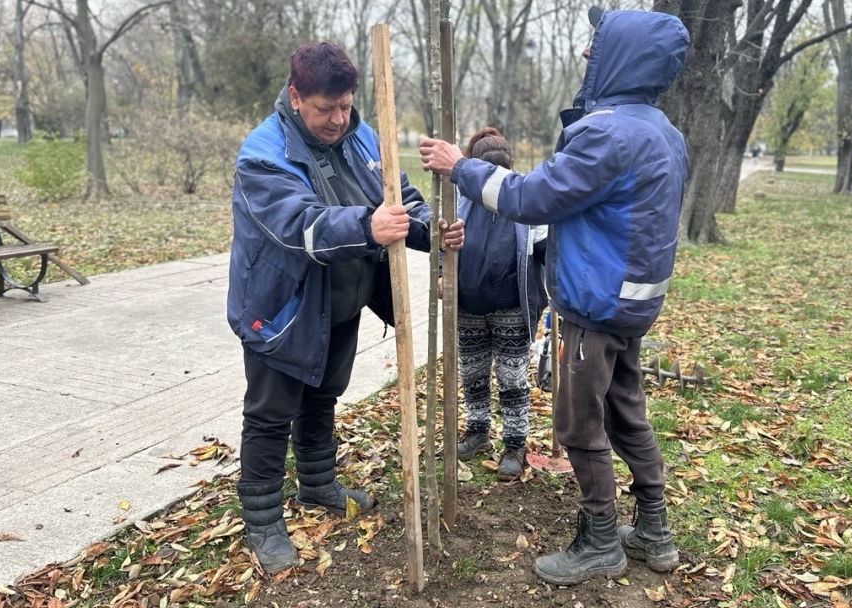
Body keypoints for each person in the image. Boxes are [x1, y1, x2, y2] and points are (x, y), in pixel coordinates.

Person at [420, 6, 689, 587]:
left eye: (598, 46)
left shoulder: (609, 134)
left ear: (622, 58)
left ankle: (599, 541)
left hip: (595, 308)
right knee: (626, 413)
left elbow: (529, 197)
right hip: (630, 308)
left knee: (577, 423)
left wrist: (459, 166)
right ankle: (653, 530)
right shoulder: (661, 130)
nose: (587, 55)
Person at [227, 41, 465, 574]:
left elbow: (399, 195)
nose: (338, 119)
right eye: (324, 109)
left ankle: (317, 485)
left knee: (323, 396)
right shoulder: (264, 155)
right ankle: (263, 521)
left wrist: (434, 230)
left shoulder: (360, 137)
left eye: (345, 106)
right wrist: (365, 226)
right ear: (295, 96)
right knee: (269, 416)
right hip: (283, 309)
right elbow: (299, 224)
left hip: (340, 302)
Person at [451, 127, 547, 482]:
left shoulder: (525, 202)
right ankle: (477, 432)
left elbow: (543, 254)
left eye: (497, 168)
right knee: (473, 374)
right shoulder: (457, 198)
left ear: (507, 167)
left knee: (512, 378)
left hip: (511, 306)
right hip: (468, 307)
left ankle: (515, 444)